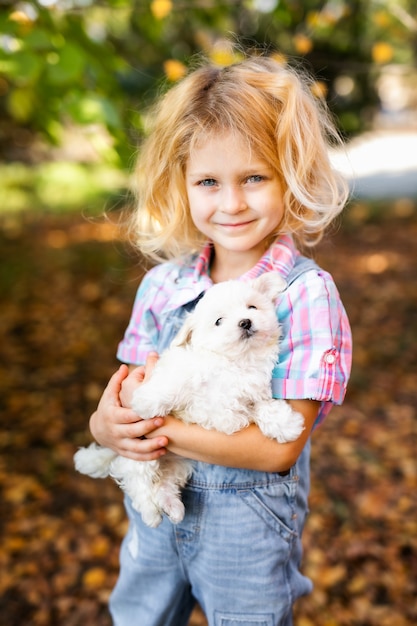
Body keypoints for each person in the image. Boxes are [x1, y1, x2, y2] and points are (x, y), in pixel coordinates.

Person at [89, 54, 352, 626]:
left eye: (254, 177)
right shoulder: (163, 287)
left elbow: (276, 448)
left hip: (249, 527)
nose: (230, 203)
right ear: (181, 184)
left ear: (292, 174)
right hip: (155, 512)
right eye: (208, 181)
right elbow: (128, 394)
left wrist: (157, 431)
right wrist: (104, 427)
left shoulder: (305, 295)